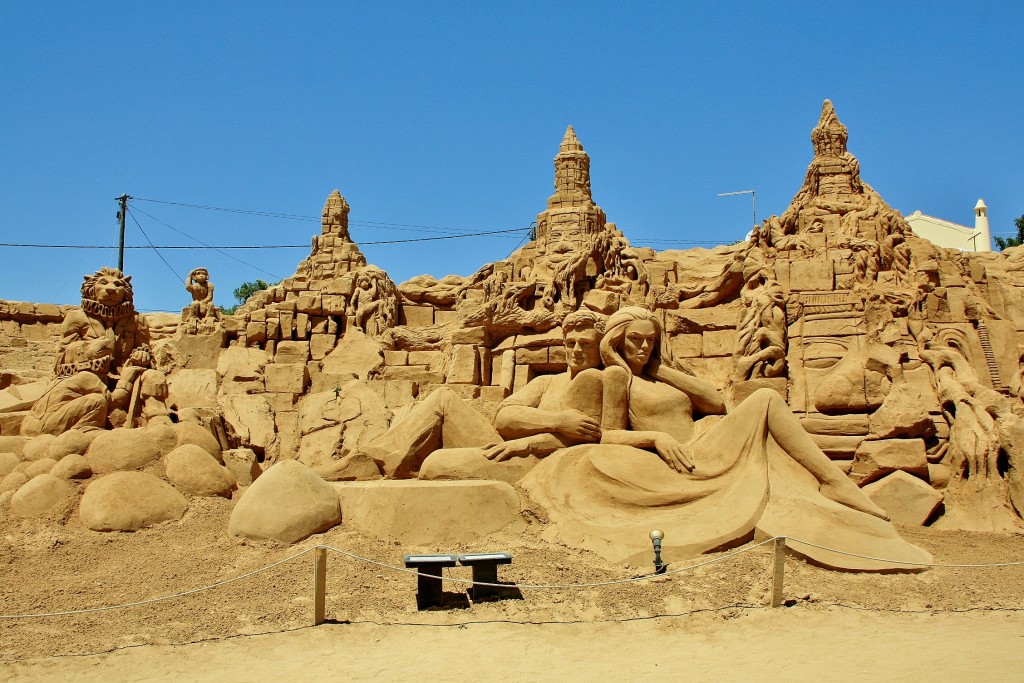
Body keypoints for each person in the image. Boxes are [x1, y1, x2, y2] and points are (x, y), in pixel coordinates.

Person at [521, 306, 933, 571]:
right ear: (616, 340)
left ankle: (832, 483)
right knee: (768, 397)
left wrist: (656, 367)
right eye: (634, 340)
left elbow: (715, 402)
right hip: (675, 456)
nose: (643, 346)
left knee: (765, 400)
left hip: (701, 442)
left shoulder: (654, 371)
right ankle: (833, 481)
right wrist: (655, 439)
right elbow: (608, 434)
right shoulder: (614, 376)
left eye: (650, 339)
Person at [322, 309, 606, 480]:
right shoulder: (547, 382)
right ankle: (370, 462)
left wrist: (531, 440)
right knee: (443, 398)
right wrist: (557, 420)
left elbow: (594, 440)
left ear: (602, 347)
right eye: (571, 342)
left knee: (438, 462)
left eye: (586, 343)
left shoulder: (604, 384)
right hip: (501, 448)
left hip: (532, 463)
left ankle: (379, 464)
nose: (577, 350)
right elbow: (504, 417)